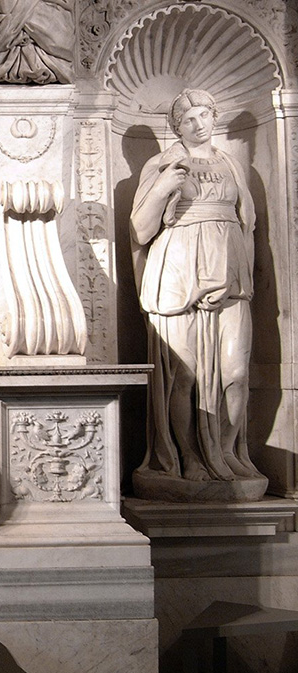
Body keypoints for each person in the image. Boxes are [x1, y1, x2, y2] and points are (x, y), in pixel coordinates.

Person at [131, 89, 262, 483]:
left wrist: (245, 280)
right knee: (183, 376)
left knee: (235, 372)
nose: (198, 123)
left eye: (204, 115)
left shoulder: (232, 165)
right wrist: (162, 185)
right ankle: (188, 455)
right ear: (177, 126)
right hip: (177, 275)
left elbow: (248, 226)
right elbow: (139, 229)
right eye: (188, 119)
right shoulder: (161, 163)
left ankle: (225, 450)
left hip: (229, 277)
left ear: (213, 117)